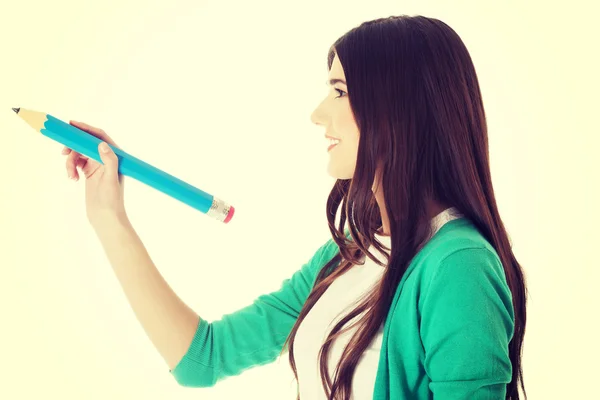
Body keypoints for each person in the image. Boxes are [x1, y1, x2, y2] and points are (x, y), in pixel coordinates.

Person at [61, 14, 527, 400]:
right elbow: (202, 359)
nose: (318, 113)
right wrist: (108, 217)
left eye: (340, 91)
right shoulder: (350, 254)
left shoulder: (459, 265)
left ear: (400, 107)